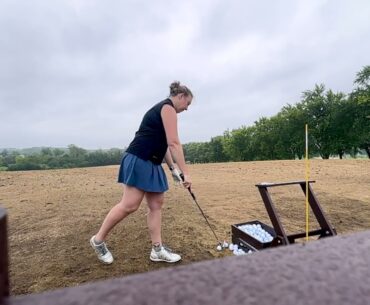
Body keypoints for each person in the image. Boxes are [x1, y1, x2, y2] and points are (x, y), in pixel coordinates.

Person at [90, 81, 193, 264]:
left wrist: (173, 168)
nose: (187, 109)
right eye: (188, 104)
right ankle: (98, 241)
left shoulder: (165, 110)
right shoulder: (167, 108)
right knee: (130, 205)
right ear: (181, 96)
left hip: (152, 162)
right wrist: (187, 172)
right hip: (139, 158)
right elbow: (174, 143)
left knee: (156, 204)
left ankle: (157, 249)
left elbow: (164, 145)